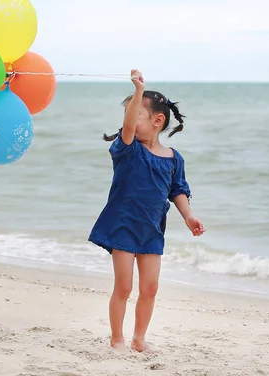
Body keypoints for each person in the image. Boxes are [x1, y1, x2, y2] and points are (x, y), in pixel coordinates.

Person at [88, 69, 206, 354]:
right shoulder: (128, 149)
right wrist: (138, 92)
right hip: (122, 225)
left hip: (152, 230)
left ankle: (139, 339)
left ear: (157, 121)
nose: (128, 120)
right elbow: (128, 129)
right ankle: (117, 339)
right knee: (124, 286)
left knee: (150, 288)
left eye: (136, 113)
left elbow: (177, 190)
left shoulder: (173, 158)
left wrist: (189, 216)